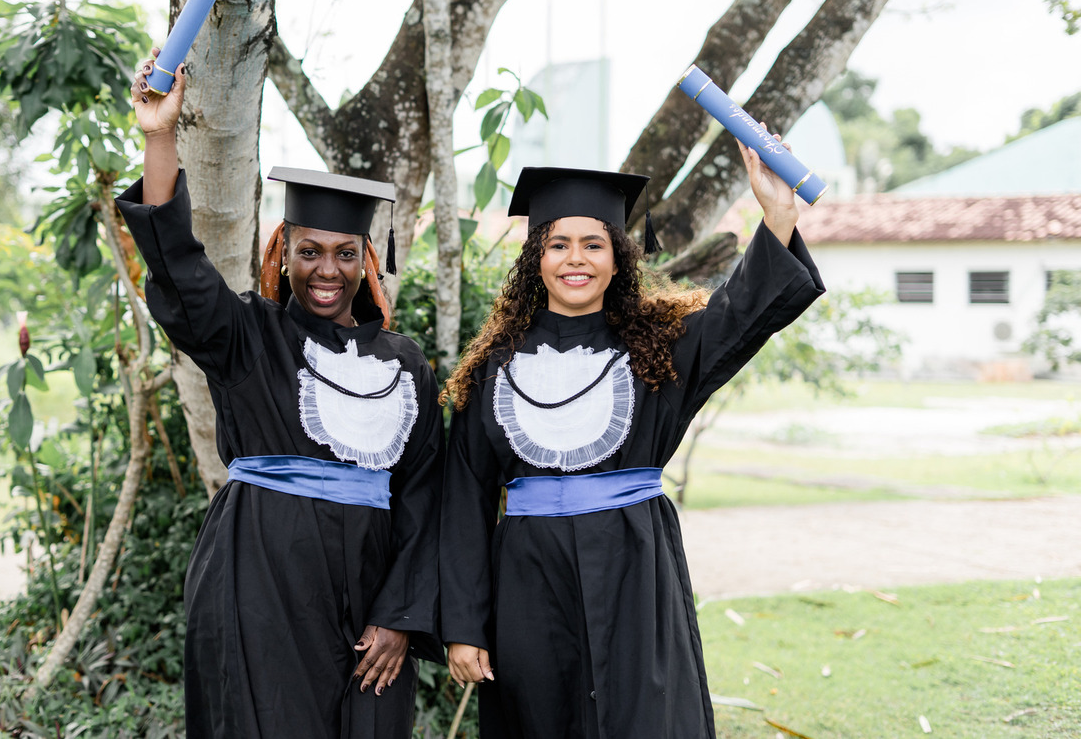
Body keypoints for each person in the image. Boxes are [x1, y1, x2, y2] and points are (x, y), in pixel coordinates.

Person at [439, 144, 825, 738]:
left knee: (643, 717)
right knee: (539, 719)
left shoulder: (661, 351)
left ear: (618, 259)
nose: (576, 259)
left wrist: (778, 215)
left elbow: (742, 310)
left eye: (593, 245)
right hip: (528, 580)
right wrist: (465, 625)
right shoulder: (496, 367)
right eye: (558, 245)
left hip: (634, 567)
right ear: (535, 259)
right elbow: (464, 499)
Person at [115, 58, 444, 739]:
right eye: (310, 250)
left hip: (373, 603)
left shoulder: (404, 364)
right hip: (257, 586)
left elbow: (425, 497)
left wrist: (401, 616)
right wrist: (159, 136)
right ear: (283, 251)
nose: (328, 269)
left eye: (345, 253)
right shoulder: (247, 337)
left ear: (366, 260)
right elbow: (179, 268)